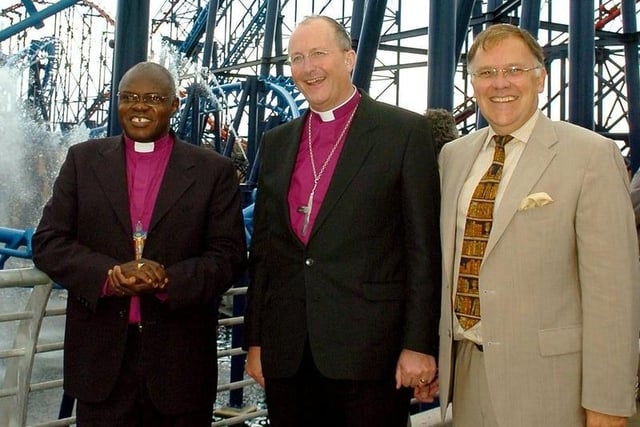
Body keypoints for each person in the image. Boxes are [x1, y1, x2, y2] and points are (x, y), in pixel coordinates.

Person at [429, 23, 640, 426]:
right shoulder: (453, 157)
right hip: (470, 376)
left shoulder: (591, 155)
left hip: (555, 387)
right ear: (472, 83)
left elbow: (614, 291)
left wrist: (608, 401)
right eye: (486, 73)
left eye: (514, 70)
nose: (500, 84)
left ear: (540, 77)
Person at [243, 15, 441, 427]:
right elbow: (264, 254)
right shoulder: (277, 142)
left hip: (370, 354)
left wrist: (419, 345)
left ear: (349, 58)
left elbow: (423, 251)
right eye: (297, 58)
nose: (308, 67)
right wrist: (256, 342)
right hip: (288, 355)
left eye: (318, 54)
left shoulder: (403, 132)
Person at [32, 61, 246, 426]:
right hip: (101, 363)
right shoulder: (83, 161)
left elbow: (228, 256)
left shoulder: (214, 171)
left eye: (152, 98)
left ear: (174, 105)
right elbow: (48, 242)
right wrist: (108, 275)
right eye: (129, 97)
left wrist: (168, 280)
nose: (139, 107)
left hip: (180, 364)